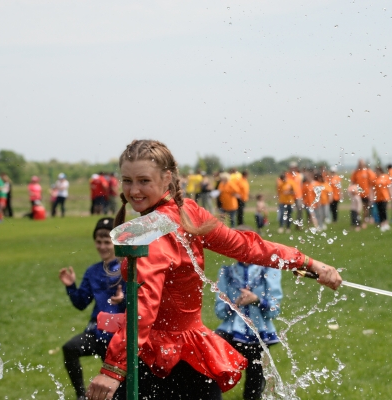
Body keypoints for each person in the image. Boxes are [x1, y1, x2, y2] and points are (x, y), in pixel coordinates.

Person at [86, 139, 341, 400]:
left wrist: (113, 369)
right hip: (190, 355)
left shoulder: (155, 232)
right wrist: (309, 263)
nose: (134, 190)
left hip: (162, 363)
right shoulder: (188, 213)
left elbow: (144, 305)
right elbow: (249, 247)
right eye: (127, 180)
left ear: (167, 179)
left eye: (143, 181)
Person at [59, 218, 125, 400]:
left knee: (118, 391)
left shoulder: (127, 268)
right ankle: (81, 395)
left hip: (118, 338)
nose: (102, 246)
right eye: (98, 242)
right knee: (70, 348)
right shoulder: (93, 271)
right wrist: (71, 286)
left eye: (107, 242)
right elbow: (81, 303)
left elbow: (140, 303)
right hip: (96, 333)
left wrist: (123, 299)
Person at [214, 226, 283, 400]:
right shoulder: (226, 272)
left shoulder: (268, 271)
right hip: (230, 330)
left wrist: (257, 300)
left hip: (259, 331)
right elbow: (219, 311)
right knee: (213, 362)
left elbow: (275, 309)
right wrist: (234, 304)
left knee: (255, 376)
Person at [351, 159, 376, 229]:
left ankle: (364, 222)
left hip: (366, 193)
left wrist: (371, 193)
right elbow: (353, 182)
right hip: (357, 193)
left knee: (365, 208)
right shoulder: (356, 172)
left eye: (362, 163)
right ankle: (358, 222)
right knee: (358, 209)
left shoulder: (367, 171)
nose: (360, 165)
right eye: (359, 163)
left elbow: (371, 184)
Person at [373, 166, 392, 232]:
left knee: (384, 210)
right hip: (377, 197)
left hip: (384, 197)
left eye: (377, 171)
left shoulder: (385, 177)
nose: (376, 172)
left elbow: (389, 186)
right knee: (379, 211)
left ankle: (386, 223)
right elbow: (372, 188)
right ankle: (381, 223)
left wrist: (391, 195)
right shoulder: (375, 178)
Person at [286, 162, 303, 229]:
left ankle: (298, 225)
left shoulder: (299, 175)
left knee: (300, 210)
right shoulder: (287, 175)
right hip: (289, 196)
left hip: (298, 196)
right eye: (291, 167)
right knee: (288, 211)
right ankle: (288, 226)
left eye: (294, 167)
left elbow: (301, 186)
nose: (293, 169)